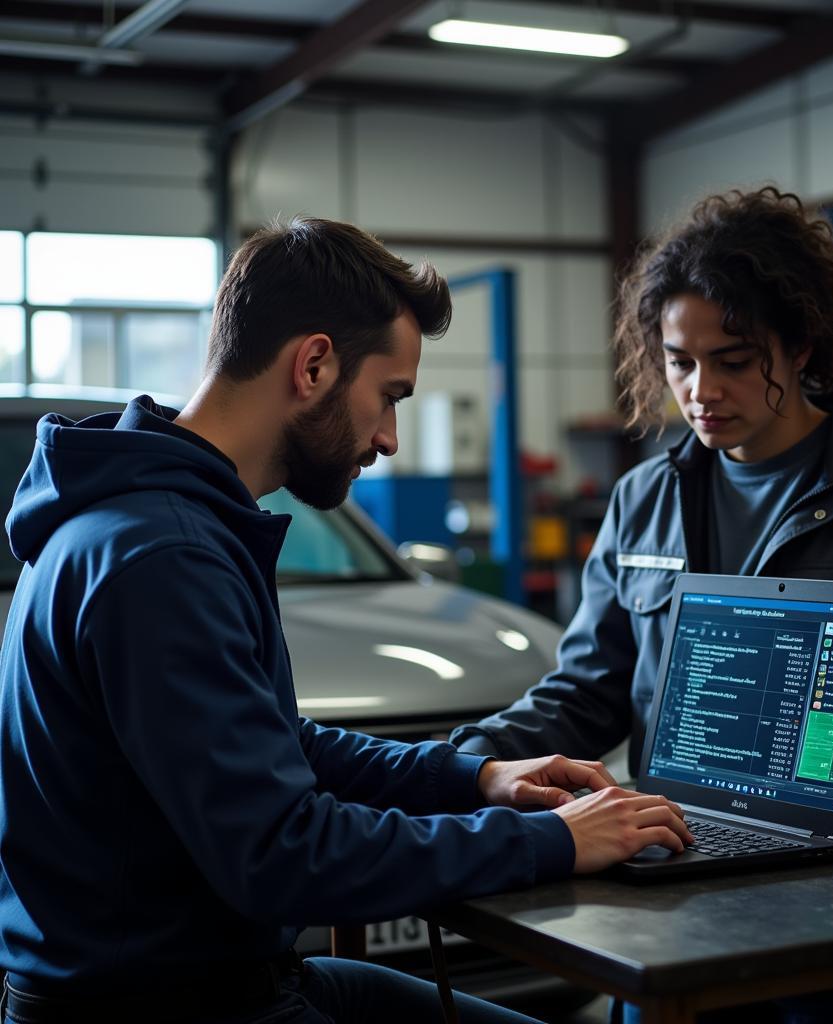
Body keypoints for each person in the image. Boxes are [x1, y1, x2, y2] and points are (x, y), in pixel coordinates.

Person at [0, 217, 693, 1024]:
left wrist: (474, 779)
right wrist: (556, 841)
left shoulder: (172, 525)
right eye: (390, 397)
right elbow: (283, 852)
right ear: (315, 364)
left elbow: (279, 746)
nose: (391, 439)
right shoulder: (164, 557)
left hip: (229, 985)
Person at [452, 187, 833, 1024]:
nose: (699, 388)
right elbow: (586, 690)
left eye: (733, 358)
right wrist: (460, 766)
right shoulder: (643, 500)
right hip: (674, 902)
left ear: (800, 346)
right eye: (680, 360)